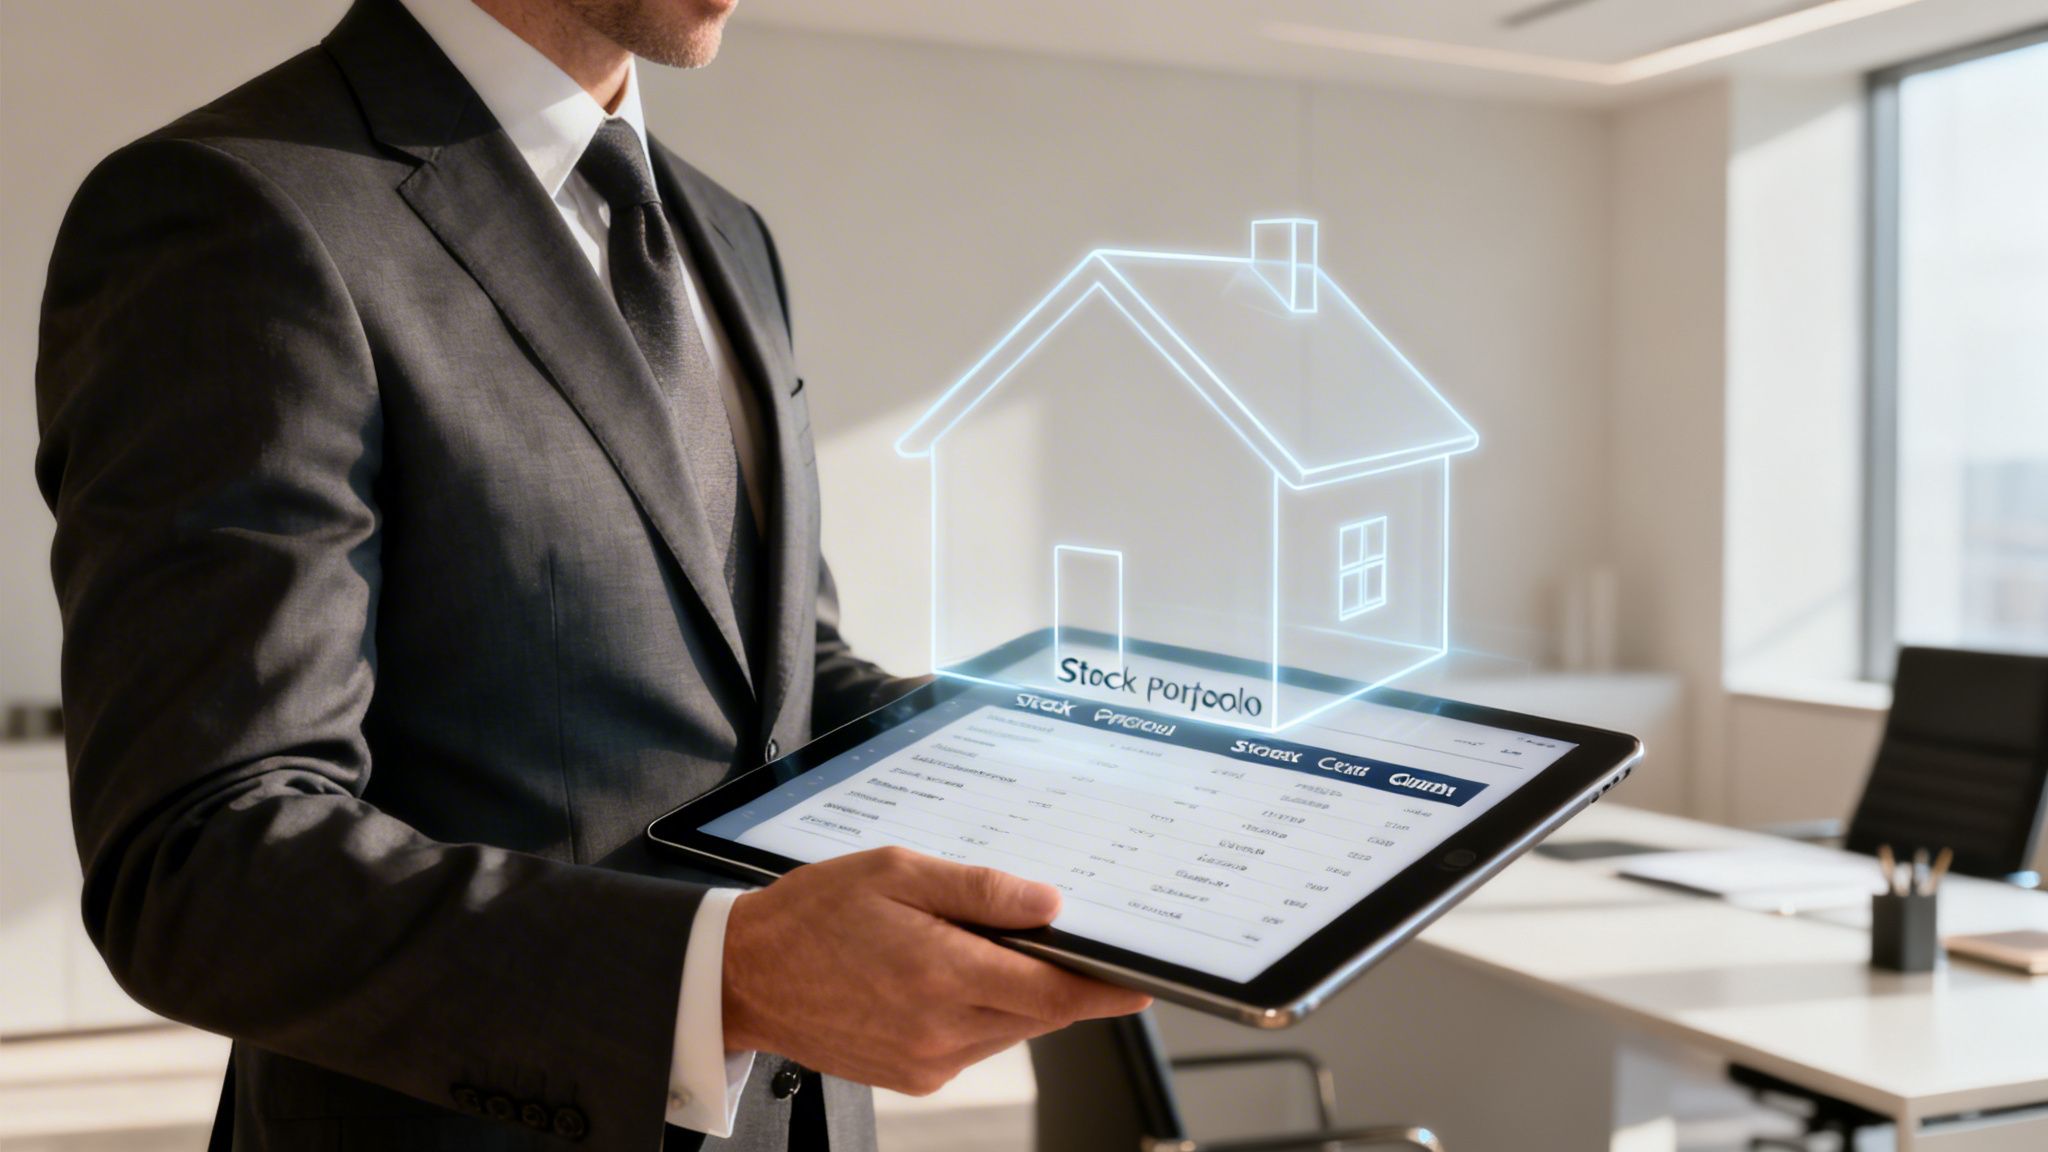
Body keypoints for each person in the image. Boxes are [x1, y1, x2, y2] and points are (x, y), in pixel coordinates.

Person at [33, 0, 1150, 1148]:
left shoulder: (724, 231)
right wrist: (728, 978)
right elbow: (204, 865)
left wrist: (1072, 765)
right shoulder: (235, 207)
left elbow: (782, 688)